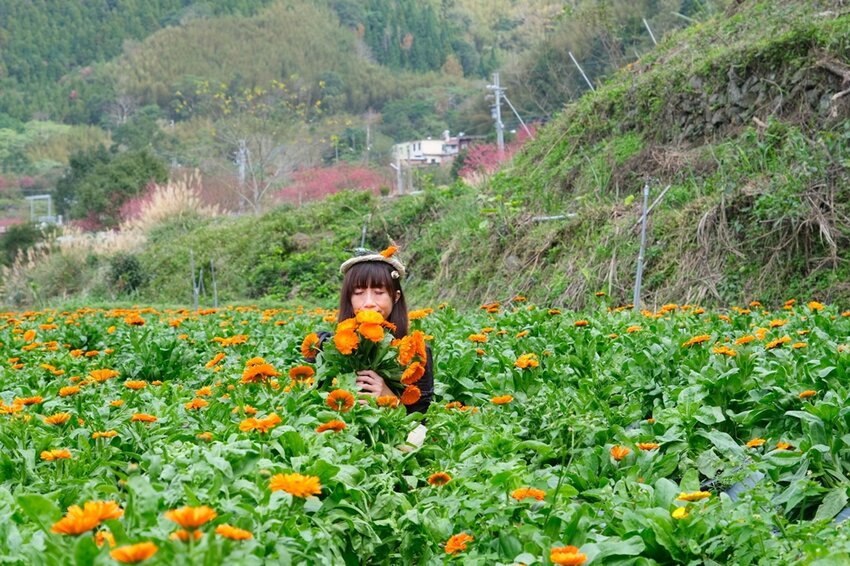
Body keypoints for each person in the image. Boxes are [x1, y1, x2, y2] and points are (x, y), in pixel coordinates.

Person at [309, 248, 434, 415]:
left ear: (395, 297)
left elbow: (421, 419)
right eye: (359, 293)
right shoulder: (324, 347)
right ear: (349, 298)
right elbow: (308, 404)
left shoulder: (416, 354)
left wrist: (389, 398)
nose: (369, 302)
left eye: (379, 292)